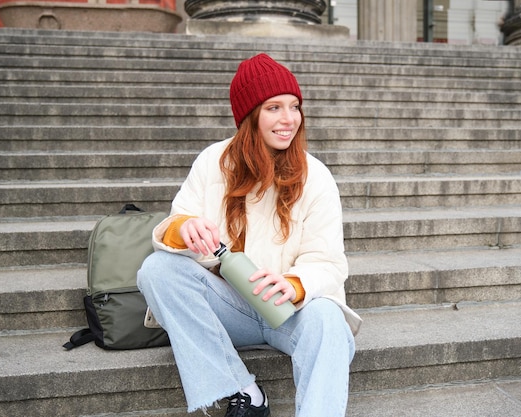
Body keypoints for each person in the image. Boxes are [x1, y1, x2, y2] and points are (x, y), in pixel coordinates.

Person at [137, 53, 362, 417]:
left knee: (329, 320)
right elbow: (177, 220)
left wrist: (296, 284)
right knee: (157, 270)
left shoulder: (316, 175)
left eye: (294, 106)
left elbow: (329, 262)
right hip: (231, 307)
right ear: (250, 115)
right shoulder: (214, 161)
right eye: (274, 107)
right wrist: (184, 227)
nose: (288, 119)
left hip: (290, 311)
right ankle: (243, 390)